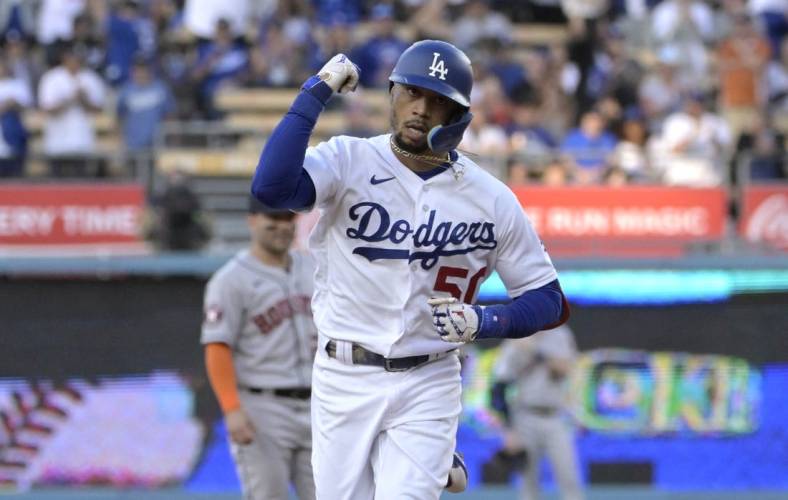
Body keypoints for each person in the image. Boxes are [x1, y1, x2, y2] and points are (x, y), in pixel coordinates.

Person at [251, 40, 569, 499]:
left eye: (438, 101)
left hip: (429, 375)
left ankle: (431, 453)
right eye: (413, 93)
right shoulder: (349, 159)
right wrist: (315, 90)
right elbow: (272, 188)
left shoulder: (491, 198)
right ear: (393, 94)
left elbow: (549, 299)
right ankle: (437, 459)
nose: (420, 109)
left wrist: (485, 320)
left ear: (459, 117)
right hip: (344, 373)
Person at [201, 197, 317, 500]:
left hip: (320, 404)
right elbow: (217, 346)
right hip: (264, 408)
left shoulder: (314, 267)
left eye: (287, 219)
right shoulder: (230, 280)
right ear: (252, 220)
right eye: (273, 219)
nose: (281, 226)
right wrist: (231, 409)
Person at [491, 324, 584, 500]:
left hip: (555, 416)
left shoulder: (559, 334)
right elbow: (498, 388)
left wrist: (536, 350)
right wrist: (509, 430)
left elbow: (563, 370)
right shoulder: (516, 336)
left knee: (569, 476)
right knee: (528, 482)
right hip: (525, 416)